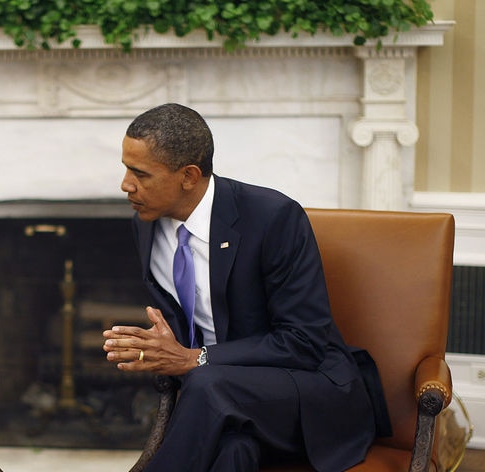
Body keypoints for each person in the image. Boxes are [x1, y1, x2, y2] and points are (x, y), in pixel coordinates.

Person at [103, 103, 384, 471]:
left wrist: (196, 359)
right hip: (224, 404)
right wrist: (161, 351)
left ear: (189, 175)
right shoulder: (147, 222)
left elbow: (305, 342)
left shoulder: (273, 218)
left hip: (307, 390)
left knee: (207, 383)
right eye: (126, 168)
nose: (126, 184)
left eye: (140, 173)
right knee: (234, 453)